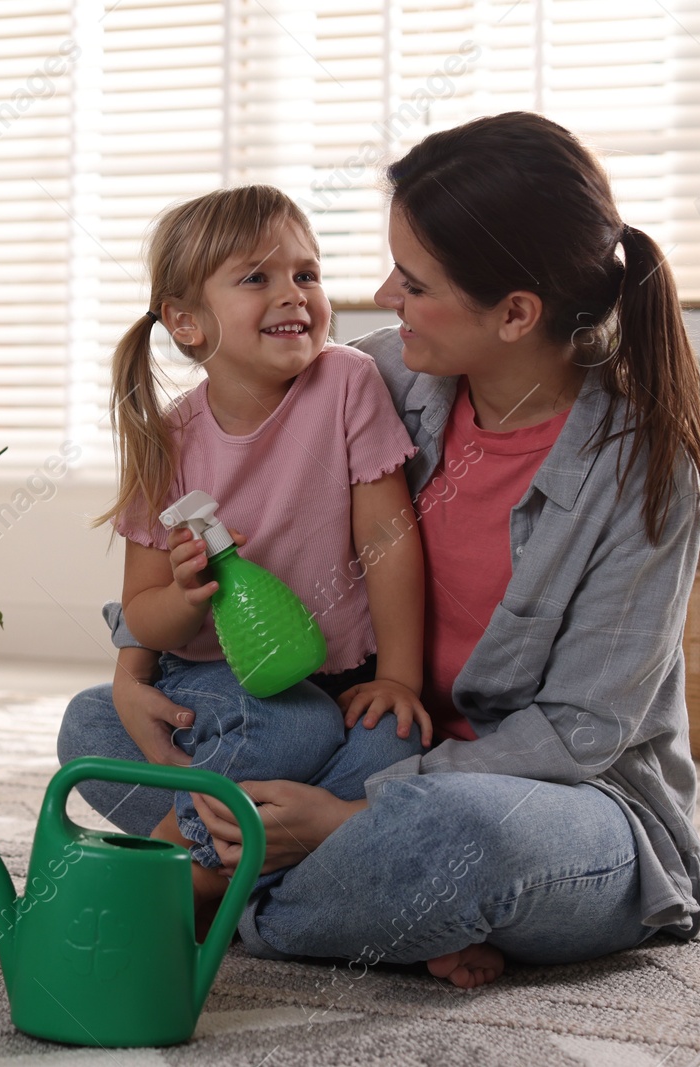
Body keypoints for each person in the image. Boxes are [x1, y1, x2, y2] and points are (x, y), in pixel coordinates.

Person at [59, 111, 700, 988]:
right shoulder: (369, 376)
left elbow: (579, 733)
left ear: (516, 312)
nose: (381, 293)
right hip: (348, 732)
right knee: (96, 726)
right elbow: (220, 497)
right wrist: (133, 669)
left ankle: (233, 890)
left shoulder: (640, 470)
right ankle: (336, 898)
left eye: (413, 280)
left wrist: (345, 815)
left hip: (541, 796)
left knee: (454, 842)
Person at [95, 183, 432, 882]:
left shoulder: (347, 381)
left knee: (388, 745)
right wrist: (187, 597)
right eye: (258, 278)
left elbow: (391, 543)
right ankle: (246, 862)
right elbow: (143, 613)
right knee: (88, 726)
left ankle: (196, 859)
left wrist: (399, 675)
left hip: (335, 683)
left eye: (306, 274)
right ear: (187, 322)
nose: (294, 294)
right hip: (217, 684)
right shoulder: (167, 439)